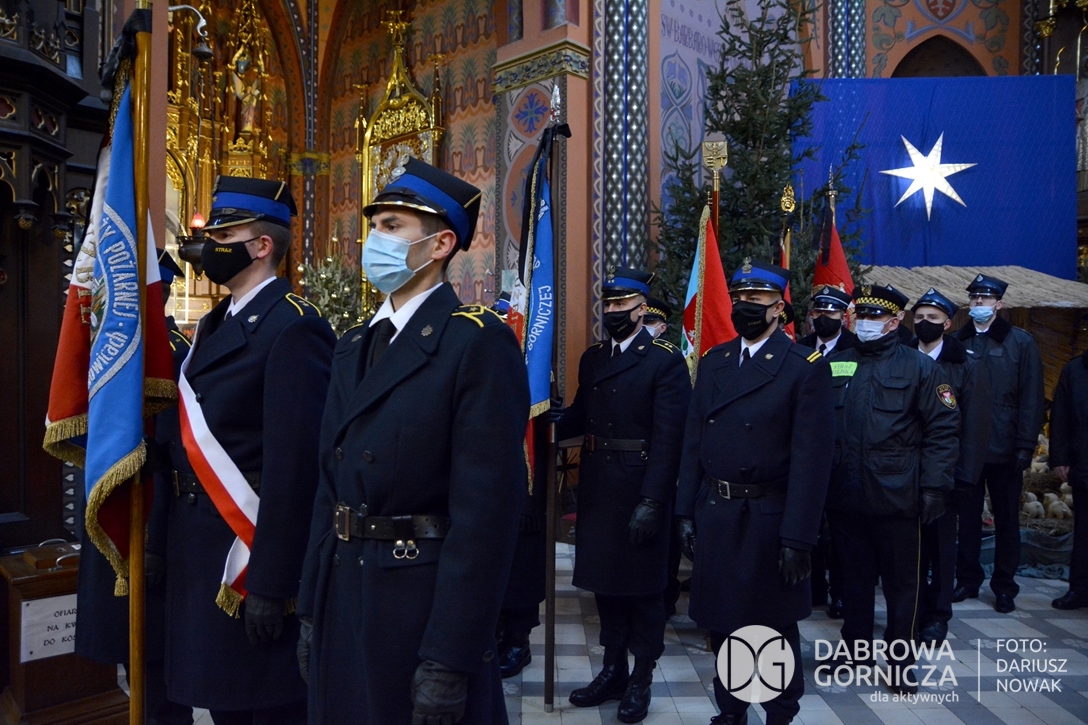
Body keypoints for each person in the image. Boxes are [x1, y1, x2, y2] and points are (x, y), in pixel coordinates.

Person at [297, 159, 530, 725]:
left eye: (392, 226)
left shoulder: (475, 343)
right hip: (344, 592)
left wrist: (450, 656)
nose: (375, 240)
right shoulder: (354, 344)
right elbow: (327, 487)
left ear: (440, 244)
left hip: (417, 604)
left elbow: (485, 519)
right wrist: (309, 608)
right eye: (374, 226)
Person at [163, 177, 335, 724]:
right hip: (201, 549)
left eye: (223, 235)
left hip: (248, 554)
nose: (210, 245)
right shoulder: (217, 322)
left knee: (266, 708)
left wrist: (271, 583)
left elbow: (296, 471)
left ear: (262, 246)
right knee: (225, 705)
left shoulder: (293, 327)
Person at [676, 258, 834, 725]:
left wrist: (798, 538)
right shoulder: (716, 361)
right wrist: (684, 511)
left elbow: (812, 463)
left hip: (769, 518)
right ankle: (732, 711)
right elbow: (693, 441)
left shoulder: (802, 368)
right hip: (719, 512)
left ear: (778, 308)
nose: (745, 305)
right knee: (726, 623)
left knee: (771, 626)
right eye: (739, 297)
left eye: (757, 298)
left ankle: (779, 713)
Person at [556, 267, 690, 723]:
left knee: (644, 591)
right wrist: (546, 417)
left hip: (640, 488)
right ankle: (612, 670)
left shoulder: (665, 360)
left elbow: (670, 439)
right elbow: (581, 414)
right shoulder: (594, 358)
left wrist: (653, 501)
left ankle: (641, 678)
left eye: (621, 304)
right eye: (608, 304)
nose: (613, 311)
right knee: (606, 585)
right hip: (598, 488)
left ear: (640, 308)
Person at [75, 250, 194, 725]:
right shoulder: (111, 346)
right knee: (130, 656)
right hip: (114, 517)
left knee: (158, 668)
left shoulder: (172, 352)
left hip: (151, 528)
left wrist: (155, 542)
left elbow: (168, 456)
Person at [825, 284, 958, 695]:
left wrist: (934, 486)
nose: (864, 322)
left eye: (874, 316)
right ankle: (855, 651)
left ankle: (901, 661)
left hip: (898, 495)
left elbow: (943, 430)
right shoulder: (838, 363)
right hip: (846, 493)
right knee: (853, 581)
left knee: (903, 586)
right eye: (860, 315)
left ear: (895, 321)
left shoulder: (920, 367)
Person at [953, 274, 1044, 613]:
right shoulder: (958, 340)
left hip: (1005, 446)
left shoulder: (1020, 342)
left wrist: (1025, 445)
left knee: (1007, 519)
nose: (979, 302)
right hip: (966, 447)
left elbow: (1031, 397)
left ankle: (1005, 586)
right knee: (968, 517)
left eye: (986, 298)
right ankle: (967, 579)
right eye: (975, 298)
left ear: (999, 304)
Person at [909, 288, 991, 643]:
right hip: (903, 473)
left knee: (942, 550)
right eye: (919, 317)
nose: (924, 323)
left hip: (946, 476)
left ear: (947, 323)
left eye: (933, 318)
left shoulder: (966, 364)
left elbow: (975, 426)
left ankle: (938, 616)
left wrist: (964, 479)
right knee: (909, 551)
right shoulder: (901, 356)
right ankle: (912, 613)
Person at [490, 291, 547, 679]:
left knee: (522, 571)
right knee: (492, 571)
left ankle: (518, 640)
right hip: (487, 495)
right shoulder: (483, 371)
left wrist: (531, 502)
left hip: (523, 496)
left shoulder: (536, 380)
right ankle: (496, 633)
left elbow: (539, 448)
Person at [796, 285, 855, 617]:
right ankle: (813, 587)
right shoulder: (800, 348)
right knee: (808, 522)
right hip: (806, 451)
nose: (823, 317)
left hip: (842, 452)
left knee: (842, 531)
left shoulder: (854, 350)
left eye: (831, 312)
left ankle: (841, 592)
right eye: (818, 311)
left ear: (843, 317)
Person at [1049, 349, 1088, 609]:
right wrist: (1060, 456)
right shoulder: (1075, 370)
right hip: (1084, 461)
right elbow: (1060, 415)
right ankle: (1080, 589)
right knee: (1084, 531)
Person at [798, 285, 857, 356]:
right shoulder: (801, 346)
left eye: (829, 313)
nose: (822, 318)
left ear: (843, 319)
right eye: (818, 312)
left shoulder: (854, 347)